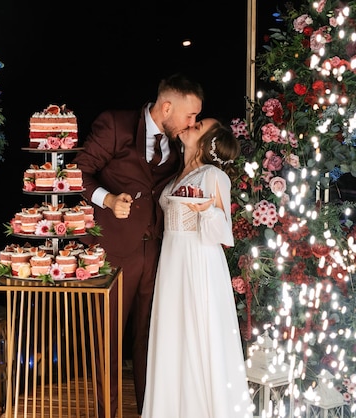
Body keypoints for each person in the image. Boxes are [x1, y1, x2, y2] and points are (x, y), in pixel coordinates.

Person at [72, 73, 205, 417]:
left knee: (150, 339)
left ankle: (149, 410)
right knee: (110, 340)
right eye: (190, 116)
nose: (193, 123)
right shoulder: (115, 124)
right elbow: (77, 173)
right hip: (115, 252)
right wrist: (108, 199)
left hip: (158, 251)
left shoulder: (177, 143)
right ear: (166, 107)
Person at [141, 118, 253, 417]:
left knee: (197, 333)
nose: (190, 124)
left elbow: (223, 235)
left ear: (206, 141)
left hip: (198, 260)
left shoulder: (213, 176)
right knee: (172, 333)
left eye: (198, 124)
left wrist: (207, 212)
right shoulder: (178, 174)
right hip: (171, 259)